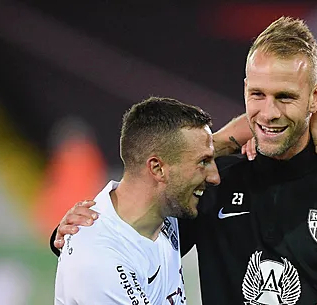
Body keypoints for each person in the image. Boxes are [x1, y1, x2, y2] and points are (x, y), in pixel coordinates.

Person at [51, 17, 317, 305]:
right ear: (245, 88)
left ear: (316, 97)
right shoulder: (215, 182)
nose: (269, 112)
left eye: (286, 97)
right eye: (257, 95)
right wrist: (81, 231)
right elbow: (134, 229)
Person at [54, 97, 220, 304]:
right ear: (158, 168)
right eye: (203, 162)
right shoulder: (100, 260)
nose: (215, 177)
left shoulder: (161, 209)